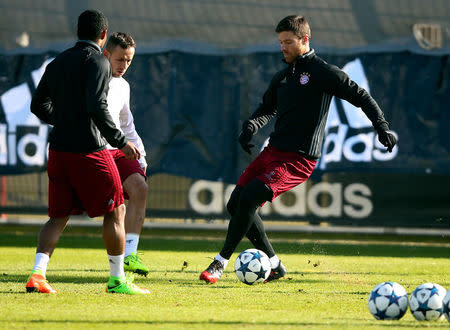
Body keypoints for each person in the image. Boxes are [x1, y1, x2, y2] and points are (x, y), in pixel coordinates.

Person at [200, 15, 397, 284]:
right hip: (272, 153)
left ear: (305, 40)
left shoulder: (323, 72)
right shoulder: (283, 76)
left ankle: (220, 262)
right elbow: (267, 108)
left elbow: (360, 96)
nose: (283, 47)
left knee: (250, 197)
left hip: (298, 159)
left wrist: (381, 126)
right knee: (236, 204)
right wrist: (250, 127)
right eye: (280, 42)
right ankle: (275, 265)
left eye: (288, 42)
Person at [26, 10, 150, 294]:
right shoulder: (98, 61)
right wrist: (119, 141)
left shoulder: (57, 62)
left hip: (57, 150)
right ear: (103, 36)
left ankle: (37, 274)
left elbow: (38, 105)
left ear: (77, 31)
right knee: (116, 208)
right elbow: (97, 106)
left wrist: (64, 120)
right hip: (90, 150)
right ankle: (118, 280)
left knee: (58, 215)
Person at [103, 32, 149, 276]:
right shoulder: (94, 79)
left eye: (129, 61)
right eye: (120, 59)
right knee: (113, 207)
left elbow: (126, 123)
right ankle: (40, 267)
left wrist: (139, 152)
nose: (124, 66)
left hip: (118, 150)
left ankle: (130, 253)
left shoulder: (123, 85)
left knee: (140, 187)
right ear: (106, 54)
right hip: (96, 151)